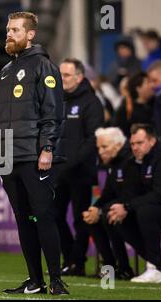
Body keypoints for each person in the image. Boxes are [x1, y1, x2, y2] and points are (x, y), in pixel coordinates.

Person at [0, 11, 68, 295]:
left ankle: (56, 279)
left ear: (30, 34)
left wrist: (47, 148)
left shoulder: (44, 66)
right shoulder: (6, 70)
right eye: (8, 29)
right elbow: (2, 118)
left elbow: (53, 113)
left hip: (35, 156)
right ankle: (35, 280)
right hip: (10, 157)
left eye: (15, 30)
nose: (9, 34)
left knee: (44, 216)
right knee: (23, 219)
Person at [107, 123, 161, 283]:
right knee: (118, 217)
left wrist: (128, 206)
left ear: (152, 141)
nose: (135, 148)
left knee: (145, 212)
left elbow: (160, 195)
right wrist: (122, 207)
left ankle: (155, 268)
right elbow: (137, 193)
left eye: (140, 143)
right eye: (133, 144)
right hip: (160, 209)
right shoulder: (141, 161)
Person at [55, 58, 104, 276]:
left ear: (79, 77)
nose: (62, 79)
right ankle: (69, 258)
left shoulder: (91, 103)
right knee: (54, 215)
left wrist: (71, 161)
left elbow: (94, 138)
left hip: (82, 172)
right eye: (60, 74)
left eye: (66, 75)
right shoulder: (56, 99)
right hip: (58, 170)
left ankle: (77, 262)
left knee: (81, 219)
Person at [82, 127, 139, 280]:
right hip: (117, 206)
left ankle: (124, 268)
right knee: (91, 218)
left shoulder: (130, 161)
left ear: (118, 145)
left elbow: (129, 195)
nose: (100, 152)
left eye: (104, 147)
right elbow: (107, 194)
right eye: (98, 148)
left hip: (134, 207)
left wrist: (100, 211)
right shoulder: (113, 163)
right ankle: (109, 266)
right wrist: (95, 208)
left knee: (108, 215)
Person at [113, 72, 154, 137]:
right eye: (148, 83)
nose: (152, 85)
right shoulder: (126, 109)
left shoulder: (154, 105)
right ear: (138, 88)